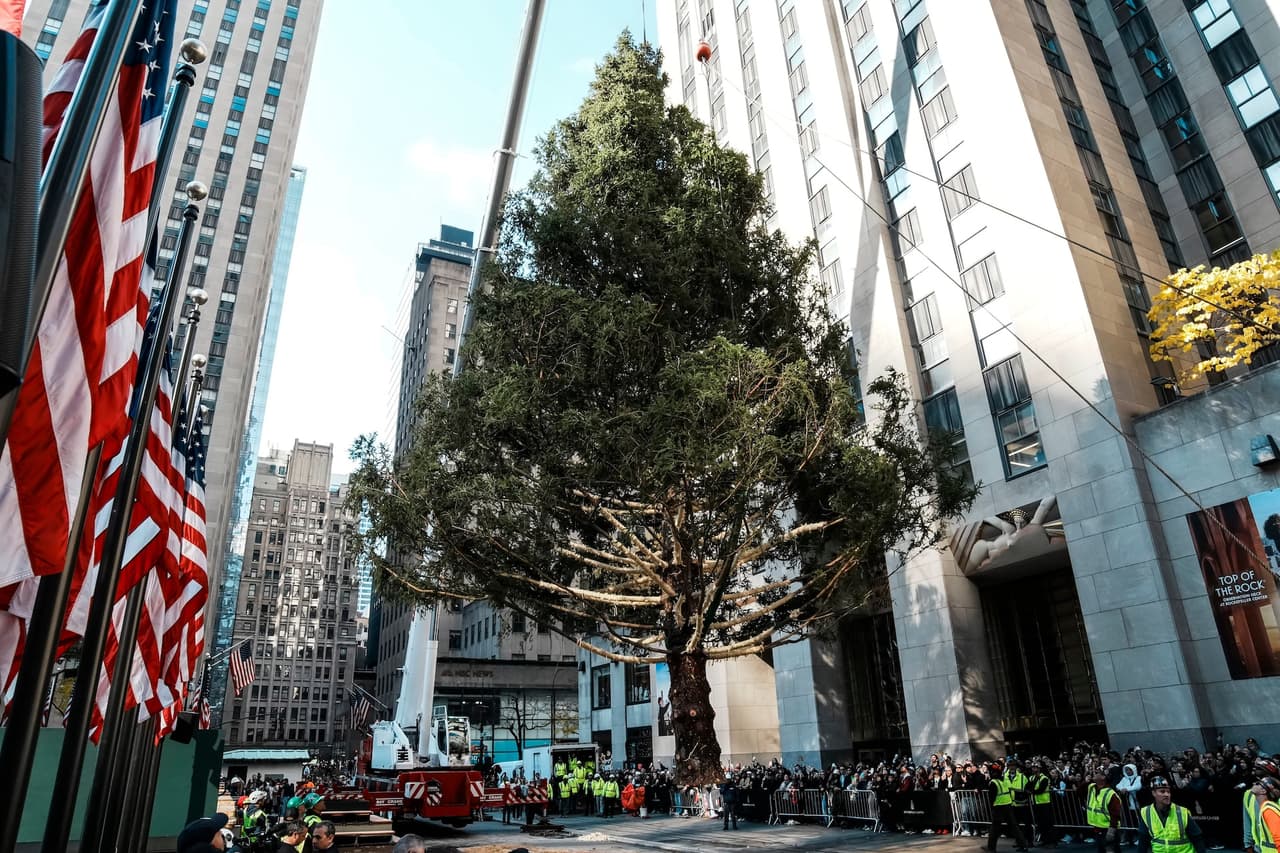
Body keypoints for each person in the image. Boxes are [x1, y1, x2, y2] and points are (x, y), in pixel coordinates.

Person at [1137, 776, 1205, 853]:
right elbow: (1143, 841)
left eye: (1168, 792)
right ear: (1153, 793)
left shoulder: (1182, 812)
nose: (1167, 794)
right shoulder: (1146, 812)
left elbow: (1197, 838)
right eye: (1162, 791)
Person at [988, 761, 1029, 853]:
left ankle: (991, 848)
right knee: (1014, 827)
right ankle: (1023, 845)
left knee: (995, 829)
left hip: (998, 807)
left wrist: (992, 808)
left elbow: (991, 798)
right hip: (1008, 805)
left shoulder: (993, 783)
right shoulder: (1003, 781)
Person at [1088, 771, 1124, 853]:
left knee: (1111, 849)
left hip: (1109, 828)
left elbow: (1115, 814)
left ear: (1103, 777)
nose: (1094, 774)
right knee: (1102, 849)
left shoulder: (1111, 794)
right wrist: (1087, 781)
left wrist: (1111, 830)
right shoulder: (1092, 787)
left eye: (1097, 773)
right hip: (1098, 826)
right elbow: (1079, 792)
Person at [1030, 761, 1057, 847]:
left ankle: (1052, 841)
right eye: (1033, 768)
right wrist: (1031, 791)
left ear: (1039, 769)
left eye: (1035, 767)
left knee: (1048, 823)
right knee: (1041, 823)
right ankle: (1045, 840)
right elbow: (1028, 787)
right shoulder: (1031, 778)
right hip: (1036, 803)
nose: (1034, 769)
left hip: (1045, 803)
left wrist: (1031, 791)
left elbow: (1040, 790)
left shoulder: (1044, 778)